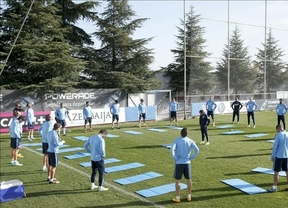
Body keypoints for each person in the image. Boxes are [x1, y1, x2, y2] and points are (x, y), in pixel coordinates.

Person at [170, 128, 199, 203]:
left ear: (180, 133)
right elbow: (197, 150)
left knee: (177, 180)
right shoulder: (190, 141)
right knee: (189, 180)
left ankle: (177, 197)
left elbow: (172, 149)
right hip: (187, 163)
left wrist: (175, 157)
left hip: (179, 163)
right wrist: (191, 157)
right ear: (187, 134)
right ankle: (189, 196)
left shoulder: (176, 140)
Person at [267, 124, 288, 192]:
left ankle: (274, 187)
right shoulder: (287, 134)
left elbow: (275, 147)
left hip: (279, 156)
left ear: (278, 129)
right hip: (286, 155)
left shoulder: (278, 135)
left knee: (276, 172)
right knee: (287, 171)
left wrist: (272, 156)